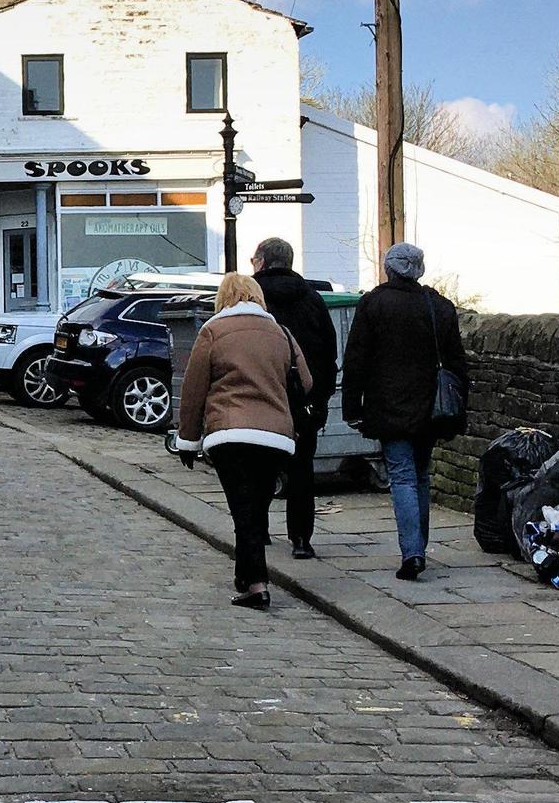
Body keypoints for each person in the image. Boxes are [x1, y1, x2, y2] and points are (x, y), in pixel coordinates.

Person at [172, 275, 312, 610]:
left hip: (230, 433)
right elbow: (305, 382)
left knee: (242, 509)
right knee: (255, 508)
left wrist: (187, 440)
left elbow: (193, 391)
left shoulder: (213, 331)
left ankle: (257, 584)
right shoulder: (281, 333)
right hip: (275, 436)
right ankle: (246, 576)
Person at [340, 241, 469, 582]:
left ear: (390, 268)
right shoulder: (439, 306)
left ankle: (412, 552)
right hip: (430, 407)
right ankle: (418, 547)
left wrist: (352, 407)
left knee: (401, 476)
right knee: (420, 474)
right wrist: (459, 407)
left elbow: (356, 359)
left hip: (389, 405)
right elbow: (457, 363)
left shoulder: (374, 303)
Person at [250, 236, 339, 561]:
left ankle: (258, 530)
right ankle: (301, 538)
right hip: (304, 399)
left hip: (260, 396)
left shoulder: (253, 301)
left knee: (258, 467)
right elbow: (329, 352)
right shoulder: (312, 299)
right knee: (302, 471)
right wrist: (320, 397)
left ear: (261, 262)